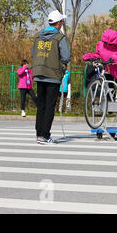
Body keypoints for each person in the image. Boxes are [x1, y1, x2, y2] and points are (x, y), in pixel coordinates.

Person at [31, 10, 71, 144]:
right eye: (62, 22)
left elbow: (33, 54)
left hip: (38, 73)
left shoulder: (37, 36)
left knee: (41, 105)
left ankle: (39, 134)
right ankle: (45, 135)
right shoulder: (59, 37)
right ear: (58, 23)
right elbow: (66, 57)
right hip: (53, 74)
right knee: (49, 106)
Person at [82, 29, 117, 109]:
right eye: (105, 42)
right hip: (108, 70)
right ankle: (109, 105)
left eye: (109, 43)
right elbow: (98, 54)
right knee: (107, 87)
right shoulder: (101, 45)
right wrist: (90, 57)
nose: (107, 44)